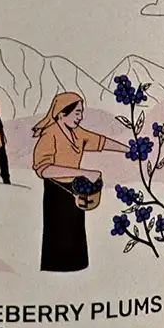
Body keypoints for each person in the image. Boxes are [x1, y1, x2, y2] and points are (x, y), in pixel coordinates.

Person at [32, 91, 128, 272]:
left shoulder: (76, 133)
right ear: (62, 113)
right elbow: (44, 169)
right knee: (59, 232)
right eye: (77, 113)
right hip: (56, 191)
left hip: (75, 189)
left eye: (81, 113)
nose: (80, 117)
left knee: (75, 231)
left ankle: (76, 269)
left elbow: (101, 142)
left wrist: (128, 150)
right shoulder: (49, 135)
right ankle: (55, 271)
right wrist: (84, 172)